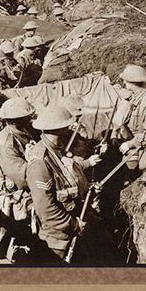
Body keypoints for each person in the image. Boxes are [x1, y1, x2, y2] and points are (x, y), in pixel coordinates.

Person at [26, 105, 103, 260]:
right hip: (59, 238)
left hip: (75, 223)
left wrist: (88, 188)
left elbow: (68, 178)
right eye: (67, 126)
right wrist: (73, 224)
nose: (70, 129)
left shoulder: (57, 150)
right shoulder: (40, 162)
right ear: (59, 129)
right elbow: (46, 209)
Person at [0, 98, 38, 256]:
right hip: (17, 196)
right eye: (27, 116)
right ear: (17, 119)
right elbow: (23, 178)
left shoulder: (22, 132)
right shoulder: (6, 144)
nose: (30, 118)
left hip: (26, 188)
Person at [113, 64, 146, 173]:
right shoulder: (133, 98)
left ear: (132, 83)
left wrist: (130, 144)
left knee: (133, 172)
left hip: (140, 148)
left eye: (126, 81)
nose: (124, 83)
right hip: (128, 142)